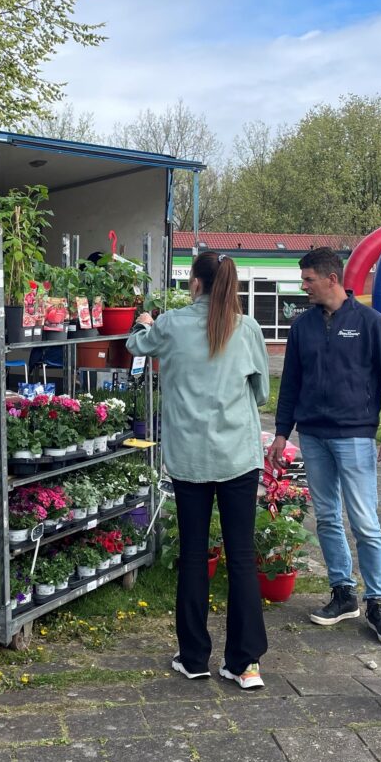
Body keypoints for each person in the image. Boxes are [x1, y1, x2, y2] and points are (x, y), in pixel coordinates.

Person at [128, 251, 271, 690]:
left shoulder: (169, 324)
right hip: (237, 459)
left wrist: (142, 320)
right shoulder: (247, 329)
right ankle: (244, 664)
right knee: (242, 557)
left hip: (189, 459)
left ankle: (193, 657)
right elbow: (262, 393)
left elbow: (136, 346)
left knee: (193, 555)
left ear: (195, 284)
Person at [270, 247, 381, 645]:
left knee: (365, 521)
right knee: (327, 517)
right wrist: (282, 431)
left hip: (354, 436)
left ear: (331, 278)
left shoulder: (371, 323)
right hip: (312, 435)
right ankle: (343, 593)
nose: (303, 286)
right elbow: (290, 382)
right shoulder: (303, 326)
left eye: (308, 279)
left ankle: (378, 601)